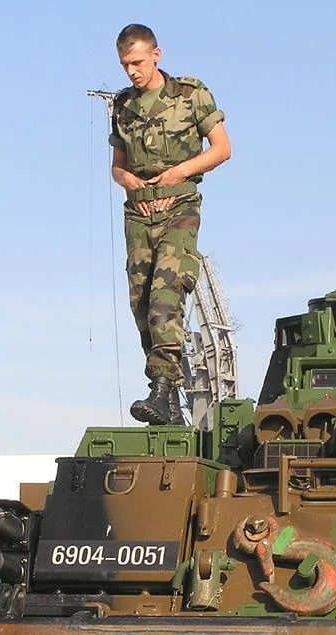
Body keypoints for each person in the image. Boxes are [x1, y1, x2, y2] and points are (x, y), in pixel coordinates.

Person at [109, 23, 231, 425]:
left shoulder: (190, 95)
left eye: (138, 62)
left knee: (166, 298)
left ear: (156, 56)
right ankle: (170, 398)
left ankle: (160, 387)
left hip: (178, 210)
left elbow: (222, 149)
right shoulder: (123, 106)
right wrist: (127, 181)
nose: (132, 71)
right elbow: (118, 167)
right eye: (125, 64)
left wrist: (179, 173)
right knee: (142, 306)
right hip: (138, 216)